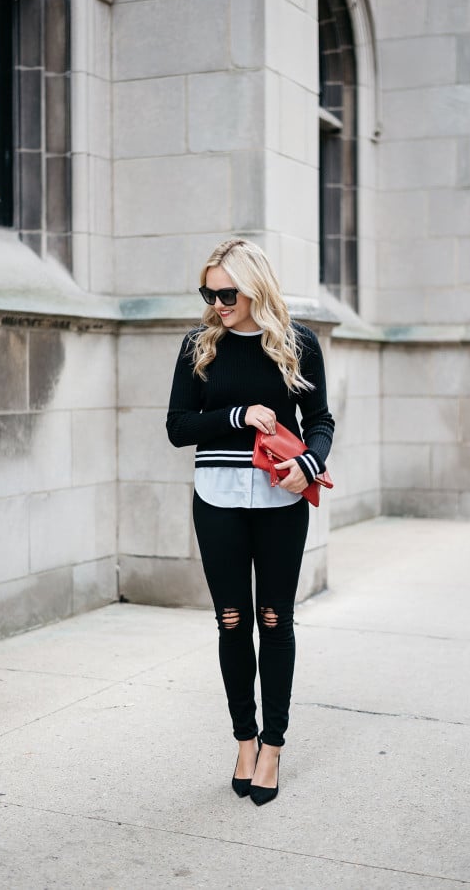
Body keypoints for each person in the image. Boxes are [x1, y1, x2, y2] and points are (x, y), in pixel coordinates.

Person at [166, 238, 334, 806]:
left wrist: (308, 464)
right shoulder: (199, 346)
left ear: (255, 287)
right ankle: (244, 740)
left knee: (274, 619)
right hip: (216, 498)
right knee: (232, 621)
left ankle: (273, 747)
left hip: (281, 502)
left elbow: (320, 420)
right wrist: (238, 415)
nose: (216, 304)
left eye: (227, 294)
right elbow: (178, 427)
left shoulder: (298, 343)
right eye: (208, 293)